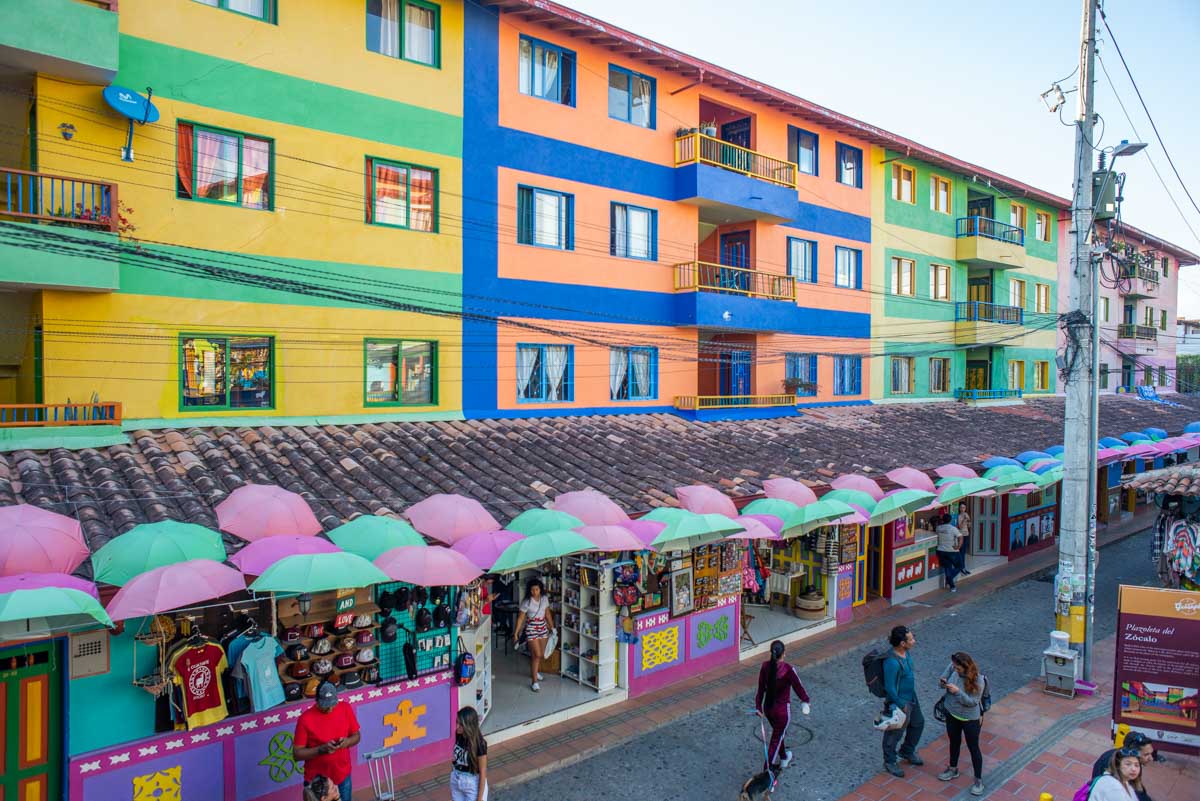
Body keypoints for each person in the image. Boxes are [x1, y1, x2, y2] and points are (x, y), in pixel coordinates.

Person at [293, 681, 361, 801]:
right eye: (325, 706)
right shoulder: (305, 719)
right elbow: (297, 754)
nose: (330, 709)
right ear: (317, 701)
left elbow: (356, 736)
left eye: (332, 704)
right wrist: (321, 750)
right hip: (318, 785)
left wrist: (347, 742)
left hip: (342, 775)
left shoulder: (345, 708)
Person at [754, 640, 811, 774]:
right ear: (783, 653)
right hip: (782, 712)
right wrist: (805, 701)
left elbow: (760, 689)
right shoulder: (788, 670)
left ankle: (784, 757)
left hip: (768, 709)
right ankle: (767, 773)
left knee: (778, 735)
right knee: (776, 739)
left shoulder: (765, 667)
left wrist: (758, 707)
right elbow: (798, 687)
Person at [936, 651, 985, 796]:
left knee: (973, 748)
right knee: (954, 742)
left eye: (958, 668)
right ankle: (953, 769)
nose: (954, 670)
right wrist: (943, 682)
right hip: (952, 714)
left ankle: (978, 780)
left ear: (966, 667)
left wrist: (957, 691)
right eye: (954, 667)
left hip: (970, 719)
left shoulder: (978, 680)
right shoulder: (953, 667)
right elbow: (941, 682)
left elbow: (973, 702)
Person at [881, 625, 924, 778]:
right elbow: (890, 688)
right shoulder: (892, 662)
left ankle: (907, 751)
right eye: (911, 639)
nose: (915, 641)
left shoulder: (906, 653)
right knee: (894, 733)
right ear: (902, 643)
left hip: (911, 697)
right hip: (899, 702)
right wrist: (901, 705)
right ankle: (890, 761)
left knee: (918, 723)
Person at [513, 577, 555, 692]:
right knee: (536, 654)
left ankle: (535, 672)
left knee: (541, 654)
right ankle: (534, 681)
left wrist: (552, 627)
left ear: (540, 589)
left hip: (542, 627)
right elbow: (521, 618)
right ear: (529, 591)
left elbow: (547, 614)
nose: (534, 592)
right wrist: (516, 633)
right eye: (532, 590)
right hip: (531, 628)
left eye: (536, 589)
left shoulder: (545, 599)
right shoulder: (527, 602)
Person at [1091, 733, 1155, 801]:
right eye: (1146, 754)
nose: (1151, 758)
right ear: (1133, 753)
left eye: (1151, 753)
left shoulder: (1125, 760)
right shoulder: (1119, 776)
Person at [450, 706, 489, 801]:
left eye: (460, 724)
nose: (457, 726)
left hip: (472, 783)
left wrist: (480, 798)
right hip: (456, 778)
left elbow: (483, 772)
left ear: (468, 725)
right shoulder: (458, 734)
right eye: (457, 722)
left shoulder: (480, 744)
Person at [935, 514, 963, 592]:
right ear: (950, 520)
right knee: (960, 566)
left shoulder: (938, 528)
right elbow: (960, 537)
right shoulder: (953, 529)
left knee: (947, 568)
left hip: (941, 551)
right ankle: (949, 579)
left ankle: (952, 586)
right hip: (952, 551)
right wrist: (959, 547)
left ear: (943, 520)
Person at [956, 503, 973, 575]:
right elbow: (959, 527)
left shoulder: (966, 514)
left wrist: (969, 521)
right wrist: (963, 520)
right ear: (959, 508)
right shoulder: (959, 516)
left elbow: (969, 526)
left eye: (964, 508)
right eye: (961, 507)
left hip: (966, 534)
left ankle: (963, 567)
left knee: (964, 552)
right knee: (961, 552)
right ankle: (961, 568)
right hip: (961, 535)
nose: (963, 509)